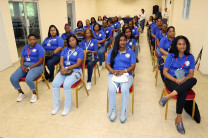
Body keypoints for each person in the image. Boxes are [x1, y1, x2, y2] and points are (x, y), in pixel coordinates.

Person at [159, 35, 197, 134]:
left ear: (186, 45)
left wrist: (185, 78)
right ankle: (179, 119)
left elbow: (191, 73)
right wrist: (175, 80)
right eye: (179, 44)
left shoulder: (190, 57)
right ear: (176, 45)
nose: (182, 46)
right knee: (183, 93)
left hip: (185, 80)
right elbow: (165, 72)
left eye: (184, 44)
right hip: (171, 80)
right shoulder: (171, 56)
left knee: (194, 80)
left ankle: (168, 96)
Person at [106, 33, 136, 123]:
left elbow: (133, 66)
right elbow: (107, 64)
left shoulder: (130, 52)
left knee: (124, 89)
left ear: (126, 41)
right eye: (120, 40)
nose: (122, 42)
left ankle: (123, 112)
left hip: (127, 74)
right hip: (113, 74)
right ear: (117, 41)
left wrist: (124, 71)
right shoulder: (112, 51)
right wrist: (112, 71)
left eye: (124, 40)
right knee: (111, 89)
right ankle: (113, 111)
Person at [52, 34, 84, 116]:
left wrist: (67, 68)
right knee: (55, 84)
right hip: (64, 70)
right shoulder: (65, 50)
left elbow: (78, 64)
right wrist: (62, 67)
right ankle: (56, 106)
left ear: (76, 40)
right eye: (70, 41)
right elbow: (61, 60)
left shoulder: (80, 50)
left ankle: (67, 107)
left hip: (75, 71)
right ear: (68, 43)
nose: (72, 42)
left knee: (66, 84)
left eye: (73, 40)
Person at [10, 34, 45, 103]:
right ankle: (21, 93)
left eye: (33, 39)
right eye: (30, 39)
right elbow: (22, 59)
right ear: (28, 40)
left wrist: (29, 68)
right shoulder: (25, 48)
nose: (32, 41)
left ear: (36, 40)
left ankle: (34, 93)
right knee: (13, 78)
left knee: (28, 79)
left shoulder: (40, 48)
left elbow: (40, 61)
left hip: (37, 66)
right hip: (25, 66)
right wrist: (22, 66)